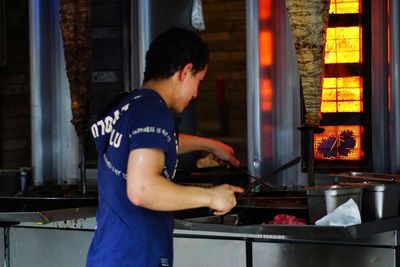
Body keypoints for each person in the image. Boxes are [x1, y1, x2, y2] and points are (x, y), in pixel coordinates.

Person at [86, 27, 243, 267]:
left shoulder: (128, 106)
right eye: (198, 81)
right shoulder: (154, 112)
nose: (196, 94)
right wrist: (212, 196)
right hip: (135, 259)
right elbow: (143, 189)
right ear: (186, 71)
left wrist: (208, 144)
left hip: (109, 255)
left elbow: (145, 144)